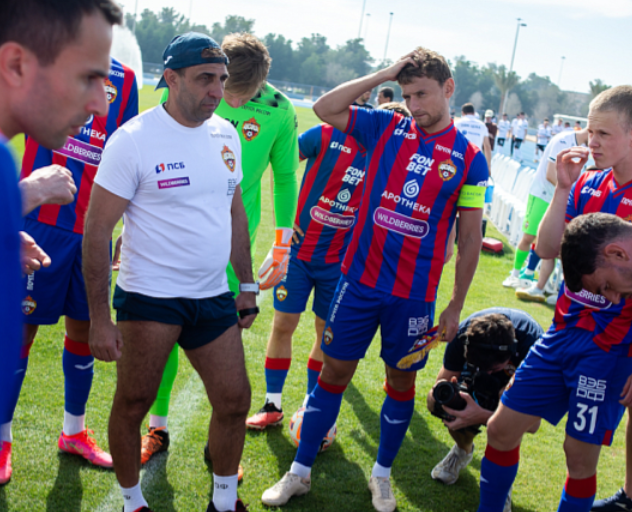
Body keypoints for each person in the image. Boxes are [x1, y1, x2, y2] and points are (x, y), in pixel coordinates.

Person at [261, 46, 488, 512]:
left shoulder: (469, 159)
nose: (414, 105)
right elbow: (325, 107)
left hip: (414, 298)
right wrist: (384, 73)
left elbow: (469, 239)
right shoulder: (385, 126)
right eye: (407, 95)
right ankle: (299, 472)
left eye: (422, 94)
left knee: (400, 385)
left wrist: (455, 305)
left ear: (448, 89)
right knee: (332, 375)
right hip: (358, 284)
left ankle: (381, 476)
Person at [83, 33, 257, 512]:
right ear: (171, 78)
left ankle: (224, 502)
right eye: (205, 79)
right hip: (150, 298)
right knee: (133, 404)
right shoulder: (133, 140)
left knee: (235, 401)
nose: (217, 91)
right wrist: (100, 319)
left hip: (211, 296)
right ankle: (132, 501)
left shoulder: (226, 135)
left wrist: (245, 284)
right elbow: (97, 231)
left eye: (221, 79)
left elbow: (234, 212)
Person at [144, 33, 299, 472]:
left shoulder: (279, 109)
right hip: (173, 240)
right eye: (224, 87)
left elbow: (285, 178)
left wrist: (282, 242)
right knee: (162, 338)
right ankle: (157, 427)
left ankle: (221, 447)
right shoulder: (190, 92)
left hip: (230, 249)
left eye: (239, 94)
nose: (227, 99)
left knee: (224, 355)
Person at [478, 84, 632, 512]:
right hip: (561, 335)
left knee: (578, 458)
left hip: (610, 350)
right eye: (589, 132)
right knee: (501, 430)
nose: (591, 142)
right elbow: (546, 249)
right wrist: (563, 189)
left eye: (604, 133)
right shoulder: (588, 184)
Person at [0, 0, 122, 485]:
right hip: (44, 223)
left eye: (103, 81)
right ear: (17, 64)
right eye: (85, 78)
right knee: (19, 334)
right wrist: (26, 196)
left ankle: (74, 432)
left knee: (83, 332)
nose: (99, 105)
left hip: (89, 230)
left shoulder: (7, 171)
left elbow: (123, 151)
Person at [246, 101, 411, 431]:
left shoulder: (390, 158)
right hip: (298, 254)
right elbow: (282, 165)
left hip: (339, 263)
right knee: (283, 324)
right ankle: (272, 404)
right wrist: (285, 219)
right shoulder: (324, 134)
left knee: (326, 334)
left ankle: (312, 409)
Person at [427, 309, 543, 508]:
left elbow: (532, 425)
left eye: (493, 369)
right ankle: (462, 451)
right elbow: (437, 391)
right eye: (477, 366)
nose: (485, 373)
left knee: (508, 422)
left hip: (512, 387)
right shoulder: (465, 335)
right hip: (481, 378)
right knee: (442, 405)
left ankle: (501, 486)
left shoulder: (534, 352)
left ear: (510, 354)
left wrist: (480, 415)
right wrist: (453, 398)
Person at [503, 128, 588, 296]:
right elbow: (550, 174)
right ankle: (515, 275)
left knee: (548, 241)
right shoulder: (564, 140)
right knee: (529, 236)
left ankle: (530, 275)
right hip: (542, 195)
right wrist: (571, 193)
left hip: (558, 198)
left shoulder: (585, 148)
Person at [455, 103, 492, 169]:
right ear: (474, 113)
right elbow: (487, 146)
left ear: (462, 113)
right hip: (476, 159)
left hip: (460, 159)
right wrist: (488, 166)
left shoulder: (457, 123)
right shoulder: (482, 125)